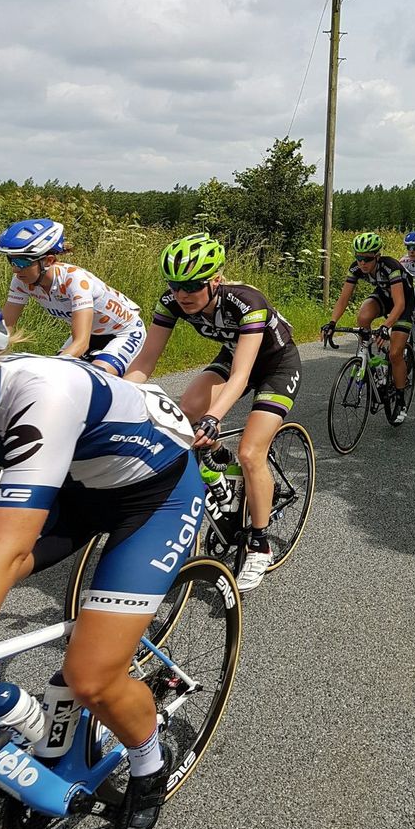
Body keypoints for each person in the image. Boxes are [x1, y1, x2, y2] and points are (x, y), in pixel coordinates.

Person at [0, 293, 201, 829]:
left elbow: (7, 554)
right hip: (77, 488)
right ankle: (16, 715)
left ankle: (149, 764)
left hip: (155, 498)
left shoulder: (42, 394)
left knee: (90, 678)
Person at [126, 233, 301, 592]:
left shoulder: (246, 302)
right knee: (184, 411)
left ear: (216, 280)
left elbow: (241, 377)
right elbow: (145, 361)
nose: (182, 294)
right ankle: (218, 460)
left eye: (192, 285)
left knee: (251, 452)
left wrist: (214, 417)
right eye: (175, 285)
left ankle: (259, 545)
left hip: (275, 365)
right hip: (233, 356)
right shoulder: (172, 302)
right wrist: (117, 397)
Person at [0, 218, 145, 377]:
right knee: (60, 380)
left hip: (124, 332)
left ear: (48, 261)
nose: (15, 269)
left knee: (93, 378)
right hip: (92, 333)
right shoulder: (21, 281)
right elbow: (5, 329)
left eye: (21, 262)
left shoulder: (75, 280)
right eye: (11, 260)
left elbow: (81, 343)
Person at [323, 232, 414, 426]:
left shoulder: (391, 266)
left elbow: (399, 304)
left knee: (395, 354)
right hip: (383, 296)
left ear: (377, 256)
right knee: (363, 316)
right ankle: (370, 359)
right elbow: (344, 298)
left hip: (403, 303)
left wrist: (385, 327)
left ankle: (400, 400)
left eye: (367, 259)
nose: (362, 263)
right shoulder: (356, 268)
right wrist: (332, 322)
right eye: (359, 257)